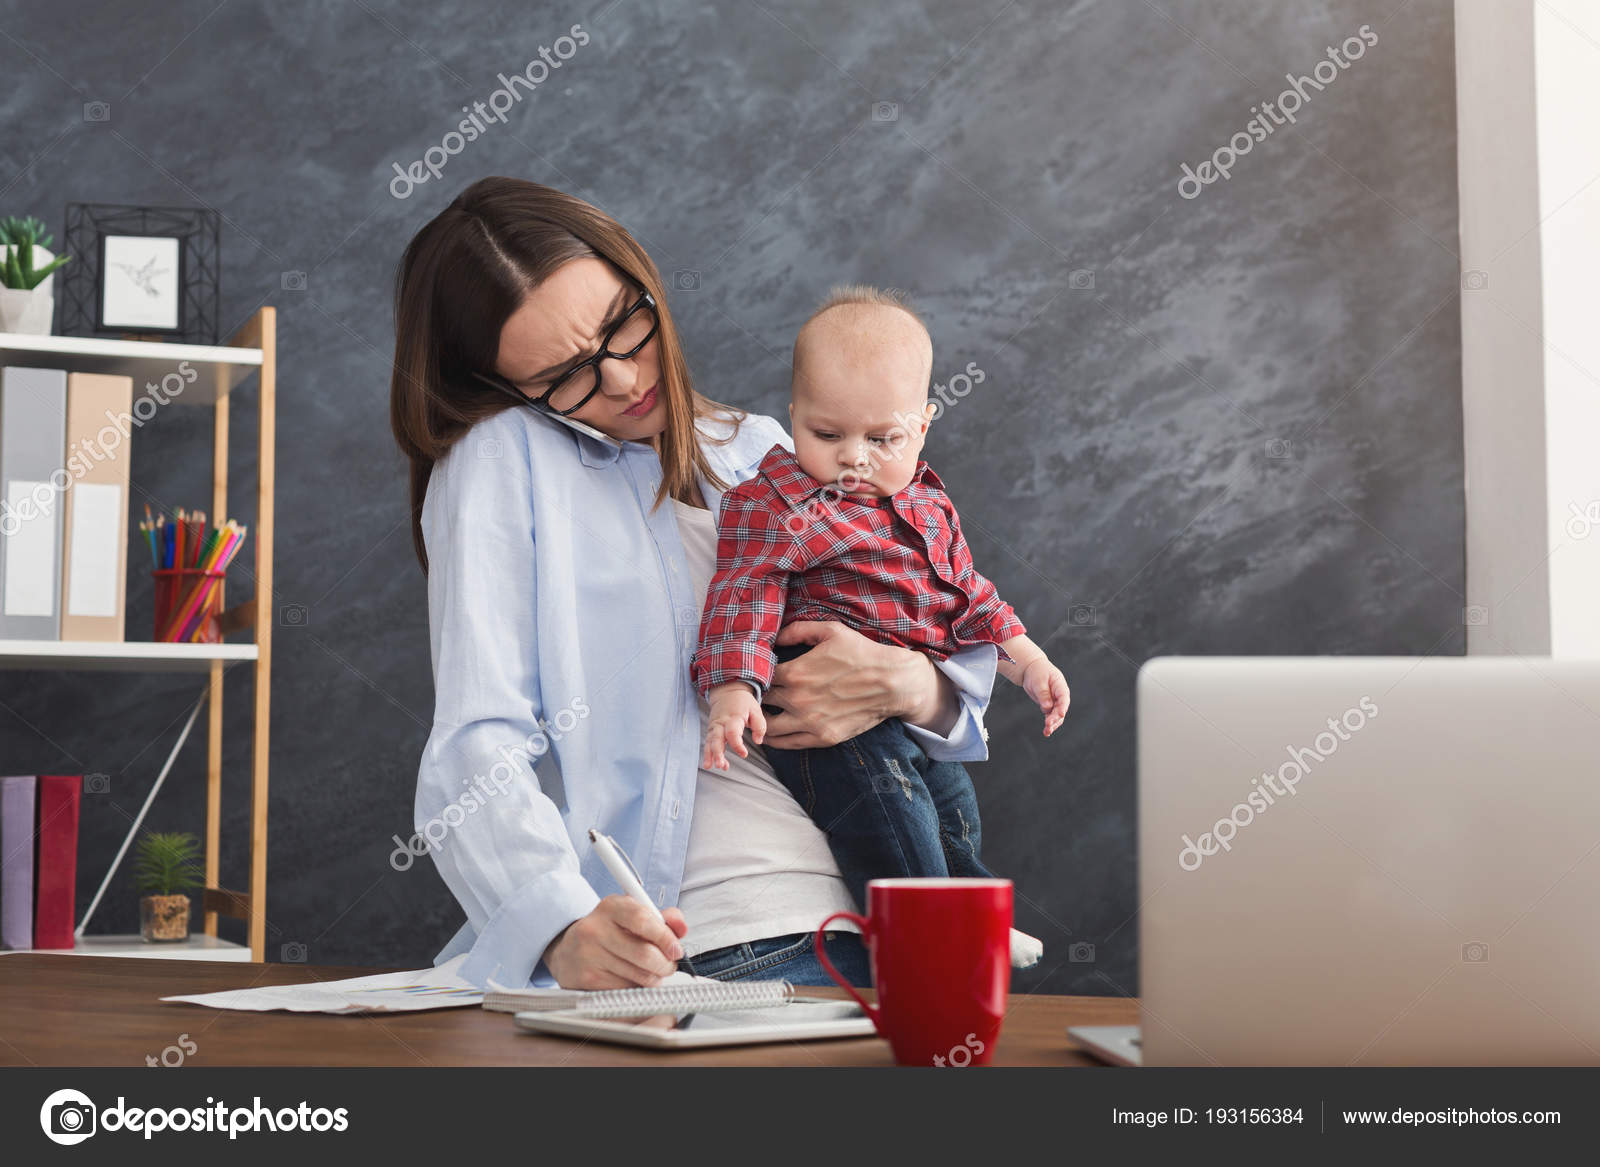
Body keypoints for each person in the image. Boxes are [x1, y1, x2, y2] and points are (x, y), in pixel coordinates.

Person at [392, 177, 1005, 990]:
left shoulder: (761, 447)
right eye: (566, 375)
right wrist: (559, 923)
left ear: (643, 279)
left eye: (623, 328)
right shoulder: (503, 457)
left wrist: (912, 683)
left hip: (888, 901)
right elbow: (477, 739)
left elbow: (925, 621)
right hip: (731, 937)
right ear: (510, 387)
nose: (618, 380)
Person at [691, 285, 1070, 967]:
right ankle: (920, 929)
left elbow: (967, 597)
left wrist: (1027, 660)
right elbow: (741, 595)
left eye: (882, 438)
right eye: (826, 434)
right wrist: (732, 690)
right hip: (826, 728)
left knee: (952, 809)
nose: (853, 458)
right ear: (794, 416)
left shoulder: (926, 504)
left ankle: (972, 911)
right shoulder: (774, 501)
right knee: (888, 815)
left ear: (921, 426)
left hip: (906, 713)